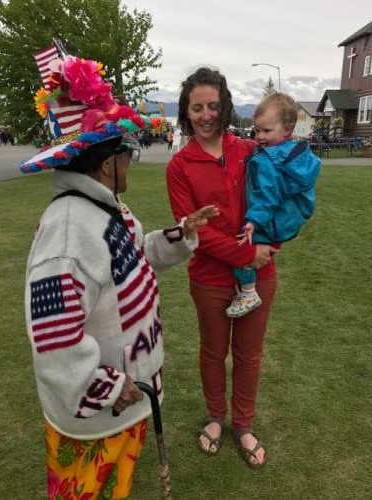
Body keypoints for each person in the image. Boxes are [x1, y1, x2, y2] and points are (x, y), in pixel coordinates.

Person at [22, 47, 219, 499]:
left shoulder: (105, 210)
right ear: (108, 162)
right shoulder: (69, 233)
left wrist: (179, 234)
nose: (132, 159)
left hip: (124, 401)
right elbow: (54, 342)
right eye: (128, 151)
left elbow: (132, 261)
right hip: (98, 414)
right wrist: (106, 385)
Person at [166, 67, 279, 468]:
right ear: (187, 111)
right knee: (214, 352)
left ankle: (242, 424)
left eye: (214, 105)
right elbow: (193, 231)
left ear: (225, 105)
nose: (206, 114)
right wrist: (245, 255)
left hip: (261, 273)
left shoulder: (248, 150)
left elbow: (277, 200)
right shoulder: (179, 165)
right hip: (211, 278)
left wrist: (268, 245)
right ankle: (216, 417)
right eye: (197, 107)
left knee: (248, 355)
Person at [226, 93, 321, 318]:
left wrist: (253, 222)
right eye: (257, 130)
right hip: (291, 215)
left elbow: (266, 195)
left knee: (242, 251)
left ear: (287, 129)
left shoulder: (267, 160)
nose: (259, 136)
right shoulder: (297, 153)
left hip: (270, 217)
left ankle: (248, 293)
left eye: (266, 131)